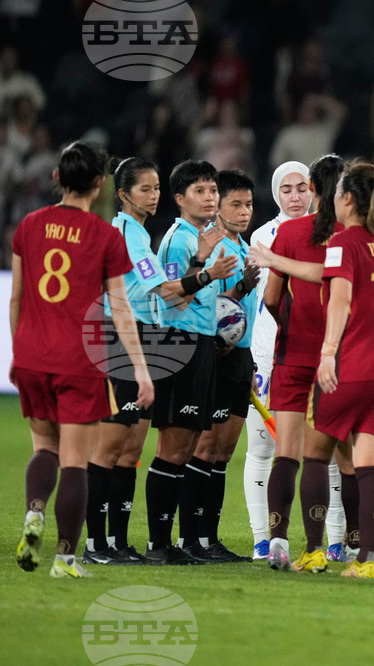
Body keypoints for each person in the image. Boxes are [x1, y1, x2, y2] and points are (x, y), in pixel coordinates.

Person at [12, 141, 152, 579]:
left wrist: (21, 349)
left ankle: (35, 512)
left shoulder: (29, 225)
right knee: (75, 460)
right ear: (99, 183)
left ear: (57, 177)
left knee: (44, 448)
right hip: (80, 358)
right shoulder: (106, 236)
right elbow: (121, 308)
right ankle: (65, 559)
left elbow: (16, 297)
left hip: (32, 354)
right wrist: (142, 369)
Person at [84, 157, 232, 566]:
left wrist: (200, 265)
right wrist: (205, 272)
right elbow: (165, 293)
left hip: (139, 342)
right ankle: (96, 544)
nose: (153, 196)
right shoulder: (127, 234)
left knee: (129, 451)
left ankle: (117, 542)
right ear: (123, 193)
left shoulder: (138, 233)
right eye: (144, 189)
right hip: (118, 340)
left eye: (155, 188)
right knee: (110, 448)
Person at [246, 154, 347, 571]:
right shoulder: (355, 236)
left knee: (284, 452)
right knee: (334, 457)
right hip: (340, 359)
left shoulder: (287, 232)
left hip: (291, 354)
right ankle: (329, 546)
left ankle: (277, 540)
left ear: (312, 189)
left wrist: (291, 326)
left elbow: (270, 298)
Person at [147, 160, 248, 565]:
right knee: (174, 447)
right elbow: (171, 296)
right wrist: (205, 269)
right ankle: (159, 544)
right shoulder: (178, 240)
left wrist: (236, 284)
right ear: (179, 198)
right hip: (178, 343)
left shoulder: (203, 236)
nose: (209, 198)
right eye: (200, 191)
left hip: (203, 342)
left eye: (212, 191)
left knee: (187, 444)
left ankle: (180, 542)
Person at [311, 162, 374, 579]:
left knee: (314, 457)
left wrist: (328, 352)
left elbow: (340, 301)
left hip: (349, 369)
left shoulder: (342, 241)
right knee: (370, 469)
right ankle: (365, 560)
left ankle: (314, 551)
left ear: (346, 198)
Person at [184, 169, 260, 563]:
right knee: (204, 448)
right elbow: (206, 303)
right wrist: (242, 288)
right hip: (214, 354)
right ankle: (190, 538)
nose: (245, 211)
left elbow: (242, 311)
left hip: (241, 356)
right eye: (236, 204)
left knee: (225, 453)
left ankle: (209, 539)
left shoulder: (245, 248)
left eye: (249, 204)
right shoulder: (213, 249)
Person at [244, 160, 313, 560]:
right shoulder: (261, 236)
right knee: (262, 449)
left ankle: (334, 538)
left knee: (323, 450)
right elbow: (261, 303)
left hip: (311, 355)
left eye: (301, 187)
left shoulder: (326, 233)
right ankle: (261, 538)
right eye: (286, 189)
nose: (295, 196)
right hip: (269, 356)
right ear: (275, 194)